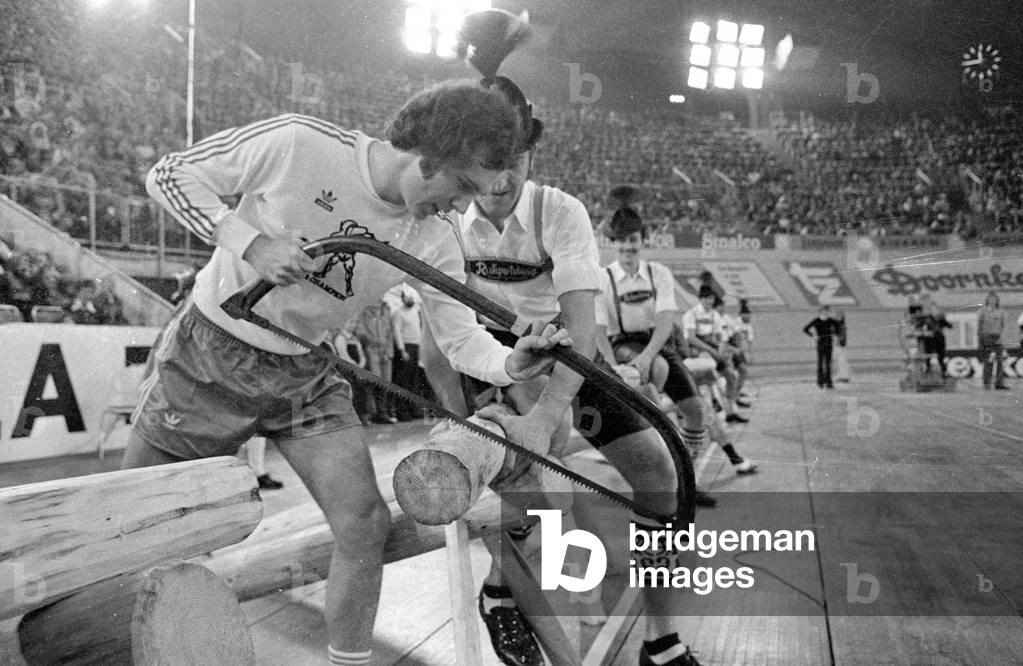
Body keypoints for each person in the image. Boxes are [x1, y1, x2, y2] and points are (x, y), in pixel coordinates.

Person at [127, 80, 574, 666]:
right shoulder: (298, 143)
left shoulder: (437, 236)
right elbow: (167, 175)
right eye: (462, 186)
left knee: (364, 523)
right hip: (208, 356)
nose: (463, 207)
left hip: (305, 371)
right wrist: (251, 243)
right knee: (130, 528)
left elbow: (460, 336)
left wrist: (510, 363)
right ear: (427, 155)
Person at [423, 88, 705, 664]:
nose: (501, 179)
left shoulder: (559, 209)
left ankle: (661, 638)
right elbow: (436, 345)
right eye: (488, 163)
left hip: (563, 344)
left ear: (533, 156)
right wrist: (464, 421)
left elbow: (580, 326)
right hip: (490, 351)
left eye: (516, 162)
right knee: (532, 484)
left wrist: (548, 414)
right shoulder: (446, 214)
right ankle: (503, 588)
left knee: (656, 473)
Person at [978, 290, 1008, 390]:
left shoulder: (1001, 311)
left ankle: (999, 383)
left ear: (997, 300)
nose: (992, 301)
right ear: (987, 300)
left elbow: (1004, 326)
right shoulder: (983, 311)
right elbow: (979, 326)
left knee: (1000, 361)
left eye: (994, 299)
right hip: (986, 338)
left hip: (998, 338)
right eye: (990, 299)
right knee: (988, 361)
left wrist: (1002, 337)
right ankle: (987, 382)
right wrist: (980, 339)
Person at [803, 305, 838, 388]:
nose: (827, 312)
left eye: (828, 311)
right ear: (821, 311)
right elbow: (805, 329)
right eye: (825, 311)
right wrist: (813, 335)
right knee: (820, 362)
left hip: (829, 343)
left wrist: (834, 333)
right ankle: (820, 381)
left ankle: (829, 381)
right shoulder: (816, 320)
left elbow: (838, 327)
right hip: (820, 344)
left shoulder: (831, 320)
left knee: (828, 363)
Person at [832, 310, 852, 383]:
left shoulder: (842, 326)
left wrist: (839, 341)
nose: (838, 317)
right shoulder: (835, 326)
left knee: (842, 361)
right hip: (836, 346)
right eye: (837, 315)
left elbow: (842, 337)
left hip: (840, 346)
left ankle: (844, 376)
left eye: (840, 315)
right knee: (837, 361)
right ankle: (839, 376)